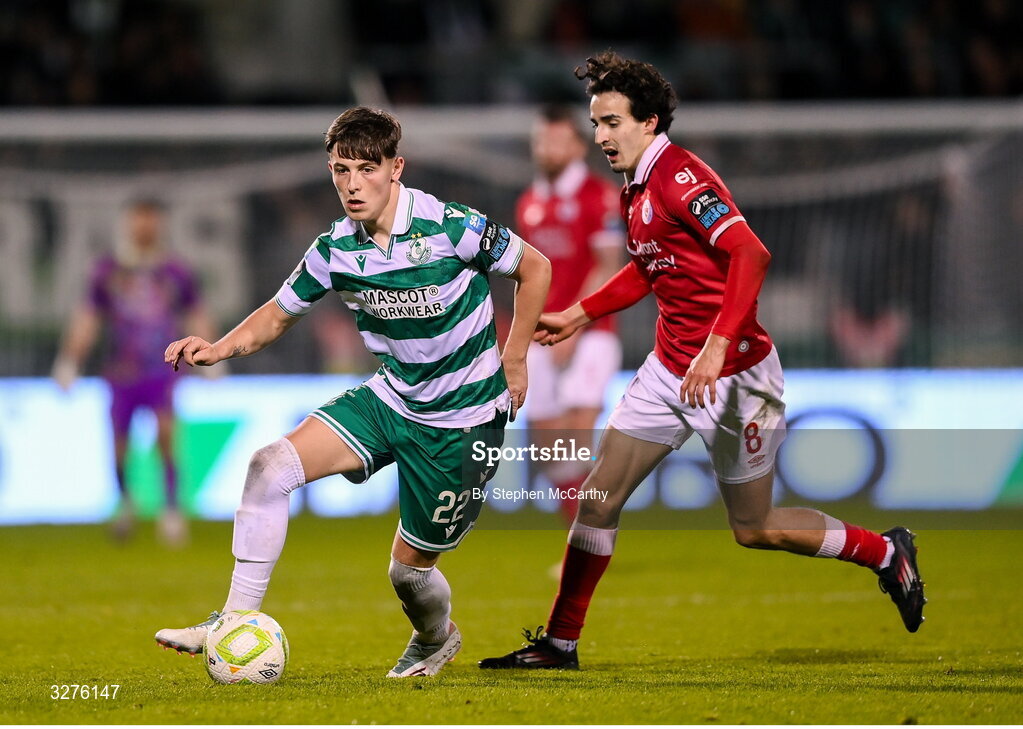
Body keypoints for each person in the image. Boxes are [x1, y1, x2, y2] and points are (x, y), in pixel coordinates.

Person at [479, 52, 926, 671]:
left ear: (650, 122)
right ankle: (560, 642)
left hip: (737, 377)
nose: (600, 136)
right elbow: (648, 266)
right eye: (596, 123)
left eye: (612, 122)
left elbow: (751, 254)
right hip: (670, 369)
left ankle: (884, 553)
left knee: (755, 526)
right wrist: (580, 313)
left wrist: (716, 347)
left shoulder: (681, 177)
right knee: (598, 497)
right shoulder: (635, 185)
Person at [154, 107, 551, 678]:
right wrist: (219, 348)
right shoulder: (335, 248)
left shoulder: (451, 226)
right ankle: (233, 620)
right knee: (269, 468)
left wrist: (515, 359)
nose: (351, 183)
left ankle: (436, 637)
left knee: (408, 574)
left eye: (367, 168)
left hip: (463, 422)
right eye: (341, 169)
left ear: (397, 168)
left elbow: (535, 268)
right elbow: (277, 314)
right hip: (391, 399)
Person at [53, 199, 215, 547]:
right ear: (128, 223)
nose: (144, 226)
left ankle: (171, 511)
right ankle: (126, 502)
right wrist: (69, 361)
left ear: (159, 224)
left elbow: (195, 314)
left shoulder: (176, 271)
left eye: (150, 219)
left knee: (167, 437)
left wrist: (213, 355)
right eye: (139, 219)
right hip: (122, 372)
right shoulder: (108, 271)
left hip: (162, 369)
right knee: (120, 447)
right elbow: (88, 319)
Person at [516, 104, 623, 523]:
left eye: (557, 141)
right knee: (547, 445)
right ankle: (580, 534)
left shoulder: (600, 196)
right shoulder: (528, 203)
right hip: (543, 334)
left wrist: (575, 326)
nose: (548, 149)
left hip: (592, 331)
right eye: (542, 141)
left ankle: (589, 539)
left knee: (579, 431)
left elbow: (607, 265)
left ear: (580, 147)